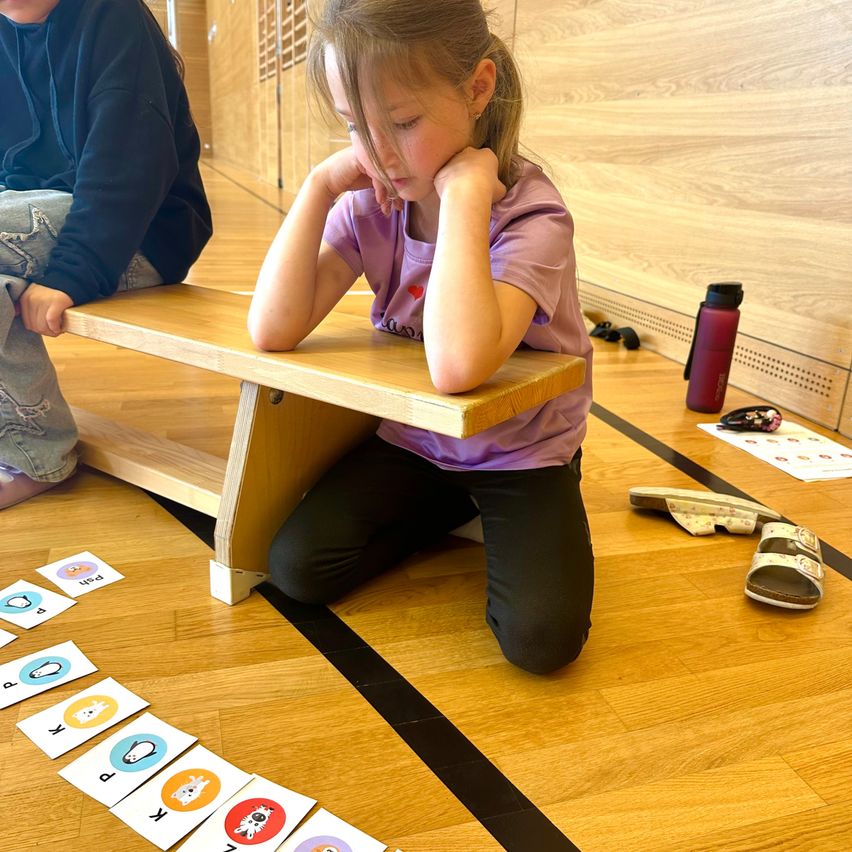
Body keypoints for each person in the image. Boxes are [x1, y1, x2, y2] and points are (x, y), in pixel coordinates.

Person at [248, 0, 594, 674]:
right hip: (417, 444)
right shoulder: (373, 202)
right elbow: (274, 328)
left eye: (401, 123)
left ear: (477, 90)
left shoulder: (534, 218)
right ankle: (444, 509)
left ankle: (486, 510)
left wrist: (466, 197)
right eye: (354, 126)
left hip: (522, 455)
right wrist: (319, 188)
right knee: (298, 568)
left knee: (540, 642)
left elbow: (460, 365)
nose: (376, 154)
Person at [0, 0, 212, 508]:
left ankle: (36, 451)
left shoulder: (111, 16)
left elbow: (129, 167)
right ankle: (30, 445)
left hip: (138, 235)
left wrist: (73, 274)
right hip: (38, 219)